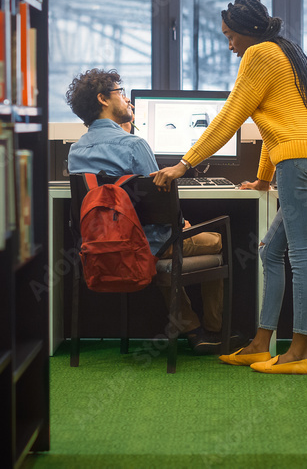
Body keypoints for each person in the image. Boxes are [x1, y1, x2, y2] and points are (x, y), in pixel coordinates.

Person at [152, 0, 307, 375]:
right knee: (271, 253)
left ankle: (299, 353)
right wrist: (264, 179)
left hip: (298, 161)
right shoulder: (284, 53)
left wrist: (184, 165)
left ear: (245, 31)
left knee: (301, 256)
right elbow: (277, 124)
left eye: (229, 36)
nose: (229, 44)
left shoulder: (259, 54)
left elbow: (229, 118)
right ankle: (258, 344)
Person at [64, 68, 232, 355]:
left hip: (99, 246)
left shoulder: (76, 150)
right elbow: (161, 202)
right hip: (144, 246)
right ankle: (213, 331)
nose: (129, 101)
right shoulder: (134, 145)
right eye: (121, 93)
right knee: (214, 240)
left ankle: (192, 328)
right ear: (103, 99)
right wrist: (181, 222)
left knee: (166, 240)